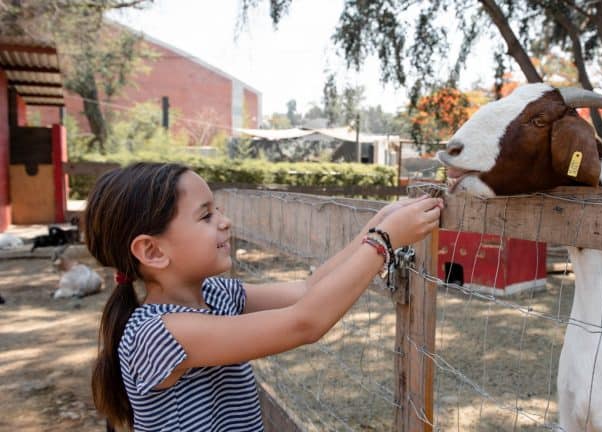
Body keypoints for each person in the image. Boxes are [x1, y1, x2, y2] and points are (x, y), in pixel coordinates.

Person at [85, 162, 443, 432]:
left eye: (218, 209)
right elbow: (304, 322)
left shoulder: (216, 294)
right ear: (152, 251)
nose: (224, 222)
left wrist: (377, 224)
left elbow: (308, 290)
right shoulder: (158, 333)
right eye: (206, 215)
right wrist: (382, 243)